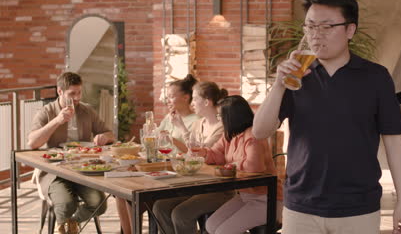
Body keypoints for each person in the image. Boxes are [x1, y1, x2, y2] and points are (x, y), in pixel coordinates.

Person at [252, 0, 401, 234]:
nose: (316, 35)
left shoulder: (376, 78)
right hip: (301, 208)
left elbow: (394, 141)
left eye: (326, 27)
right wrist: (278, 86)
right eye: (310, 26)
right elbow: (260, 132)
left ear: (350, 30)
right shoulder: (296, 75)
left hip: (358, 209)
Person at [28, 72, 114, 234]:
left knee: (99, 204)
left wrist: (104, 136)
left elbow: (110, 134)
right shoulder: (46, 112)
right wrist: (57, 121)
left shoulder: (87, 111)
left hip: (83, 170)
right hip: (54, 172)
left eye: (79, 92)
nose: (77, 97)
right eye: (72, 93)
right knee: (67, 204)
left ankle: (70, 224)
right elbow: (32, 143)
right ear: (60, 92)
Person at [116, 74, 201, 234]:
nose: (167, 100)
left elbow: (193, 152)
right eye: (167, 96)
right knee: (122, 193)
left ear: (186, 97)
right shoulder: (170, 117)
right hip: (161, 167)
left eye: (171, 96)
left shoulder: (196, 120)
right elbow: (155, 140)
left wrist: (171, 139)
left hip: (179, 174)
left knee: (132, 195)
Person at [152, 81, 235, 234]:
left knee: (180, 214)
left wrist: (181, 131)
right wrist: (181, 126)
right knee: (160, 206)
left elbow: (202, 154)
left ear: (207, 102)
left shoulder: (222, 127)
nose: (192, 102)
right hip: (197, 183)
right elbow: (192, 155)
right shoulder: (199, 123)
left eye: (195, 98)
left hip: (218, 187)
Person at [199, 95, 283, 234]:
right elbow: (216, 154)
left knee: (223, 231)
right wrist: (202, 152)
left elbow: (254, 166)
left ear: (231, 117)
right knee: (211, 225)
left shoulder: (254, 135)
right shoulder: (230, 135)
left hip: (267, 200)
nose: (220, 120)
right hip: (245, 196)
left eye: (221, 116)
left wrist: (231, 164)